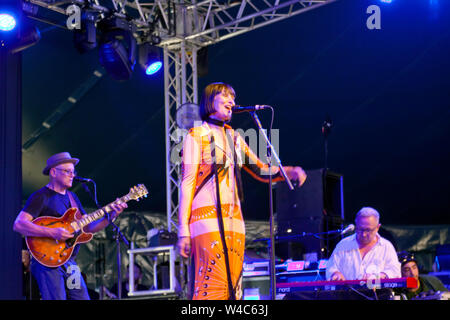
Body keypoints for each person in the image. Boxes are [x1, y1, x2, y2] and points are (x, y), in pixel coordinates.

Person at [176, 82, 307, 300]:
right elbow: (187, 182)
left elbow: (260, 170)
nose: (232, 101)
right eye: (225, 96)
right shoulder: (195, 135)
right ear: (210, 101)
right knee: (211, 280)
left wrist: (289, 170)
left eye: (233, 98)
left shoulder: (234, 137)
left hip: (234, 218)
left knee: (233, 284)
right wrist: (183, 230)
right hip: (206, 217)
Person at [13, 152, 127, 300]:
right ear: (53, 172)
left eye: (73, 172)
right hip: (47, 262)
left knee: (82, 297)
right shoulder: (41, 196)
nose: (72, 175)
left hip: (69, 262)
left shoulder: (73, 197)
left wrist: (111, 216)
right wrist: (53, 233)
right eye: (68, 171)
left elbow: (89, 228)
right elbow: (19, 224)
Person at [326, 207, 401, 281]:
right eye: (360, 229)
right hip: (347, 292)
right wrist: (335, 273)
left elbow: (395, 271)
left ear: (378, 227)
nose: (364, 234)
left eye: (368, 230)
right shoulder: (343, 245)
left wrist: (379, 276)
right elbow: (331, 267)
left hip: (378, 292)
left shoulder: (386, 246)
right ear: (356, 225)